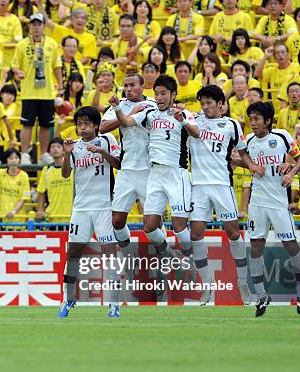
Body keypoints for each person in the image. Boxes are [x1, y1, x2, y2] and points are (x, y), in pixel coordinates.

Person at [110, 75, 199, 265]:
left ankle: (193, 260)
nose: (159, 98)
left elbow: (197, 133)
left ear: (173, 95)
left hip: (177, 174)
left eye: (163, 94)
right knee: (149, 227)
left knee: (179, 228)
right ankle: (171, 258)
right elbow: (126, 122)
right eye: (156, 94)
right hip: (155, 175)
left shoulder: (184, 114)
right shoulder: (149, 113)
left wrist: (182, 120)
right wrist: (118, 108)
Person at [190, 85, 264, 304]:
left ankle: (243, 283)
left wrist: (251, 166)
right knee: (196, 234)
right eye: (202, 103)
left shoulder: (231, 124)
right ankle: (207, 286)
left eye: (209, 103)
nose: (205, 107)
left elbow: (242, 152)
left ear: (221, 104)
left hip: (223, 185)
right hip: (199, 187)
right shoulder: (193, 121)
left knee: (233, 233)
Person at [243, 102, 300, 317]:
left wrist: (291, 173)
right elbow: (240, 157)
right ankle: (261, 297)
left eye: (257, 119)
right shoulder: (249, 141)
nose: (253, 123)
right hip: (258, 202)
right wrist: (251, 166)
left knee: (291, 245)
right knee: (255, 247)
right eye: (250, 119)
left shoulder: (281, 137)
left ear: (268, 120)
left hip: (279, 202)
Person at [58, 106, 121, 319]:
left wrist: (102, 153)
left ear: (95, 125)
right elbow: (66, 174)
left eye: (86, 124)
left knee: (109, 254)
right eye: (78, 124)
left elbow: (119, 164)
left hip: (104, 206)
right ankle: (67, 299)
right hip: (81, 208)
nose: (81, 128)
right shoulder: (73, 147)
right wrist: (66, 156)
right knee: (73, 253)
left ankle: (114, 304)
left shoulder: (107, 140)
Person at [100, 73, 157, 266]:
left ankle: (164, 255)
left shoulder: (153, 104)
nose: (129, 89)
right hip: (126, 170)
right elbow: (103, 127)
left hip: (149, 171)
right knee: (116, 221)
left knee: (151, 223)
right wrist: (128, 114)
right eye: (126, 85)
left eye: (133, 85)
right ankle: (129, 256)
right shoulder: (120, 105)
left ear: (142, 86)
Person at [11, 13, 63, 165]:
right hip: (29, 92)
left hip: (47, 92)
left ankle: (44, 154)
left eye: (39, 24)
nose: (36, 27)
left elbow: (57, 66)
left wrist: (60, 87)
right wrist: (17, 71)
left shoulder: (52, 44)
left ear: (44, 26)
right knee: (27, 124)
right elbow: (15, 65)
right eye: (33, 24)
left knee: (46, 125)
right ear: (29, 26)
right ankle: (25, 154)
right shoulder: (21, 45)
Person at [36, 138, 74, 223]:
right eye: (52, 147)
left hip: (72, 216)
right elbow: (41, 192)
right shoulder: (46, 170)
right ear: (49, 152)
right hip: (52, 216)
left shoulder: (73, 168)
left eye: (58, 147)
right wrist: (40, 210)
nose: (55, 149)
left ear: (64, 151)